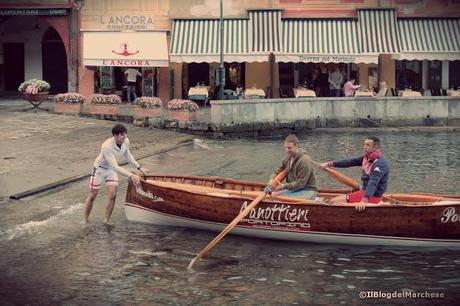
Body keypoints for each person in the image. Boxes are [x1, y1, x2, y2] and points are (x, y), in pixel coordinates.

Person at [83, 124, 147, 224]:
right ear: (115, 135)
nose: (125, 136)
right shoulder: (106, 146)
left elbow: (128, 155)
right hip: (99, 169)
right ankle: (85, 220)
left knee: (113, 194)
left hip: (110, 170)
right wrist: (131, 175)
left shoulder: (126, 141)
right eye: (122, 134)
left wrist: (139, 167)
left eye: (125, 134)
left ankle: (106, 221)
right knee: (92, 195)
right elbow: (115, 167)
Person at [319, 137, 389, 212]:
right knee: (333, 201)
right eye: (364, 144)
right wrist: (329, 164)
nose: (364, 147)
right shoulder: (366, 158)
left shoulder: (380, 164)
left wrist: (364, 200)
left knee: (331, 202)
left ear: (376, 147)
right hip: (365, 192)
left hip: (372, 196)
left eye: (368, 145)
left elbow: (373, 183)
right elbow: (350, 162)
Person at [264, 134, 318, 199]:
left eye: (289, 148)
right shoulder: (287, 159)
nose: (287, 150)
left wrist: (283, 186)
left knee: (278, 198)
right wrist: (271, 181)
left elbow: (300, 183)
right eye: (285, 147)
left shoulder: (304, 160)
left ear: (297, 146)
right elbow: (277, 172)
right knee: (271, 195)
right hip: (293, 189)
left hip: (307, 190)